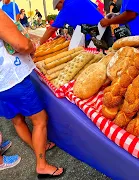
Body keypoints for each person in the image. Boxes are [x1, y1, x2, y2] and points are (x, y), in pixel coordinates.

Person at [0, 10, 64, 178]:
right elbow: (21, 45)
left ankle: (38, 147)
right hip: (13, 79)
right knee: (40, 120)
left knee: (17, 120)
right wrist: (32, 46)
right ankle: (41, 165)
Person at [40, 0, 112, 47]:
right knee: (111, 53)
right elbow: (97, 9)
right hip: (104, 27)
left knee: (97, 58)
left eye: (57, 7)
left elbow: (51, 29)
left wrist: (40, 43)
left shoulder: (65, 8)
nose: (58, 10)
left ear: (61, 1)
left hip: (93, 33)